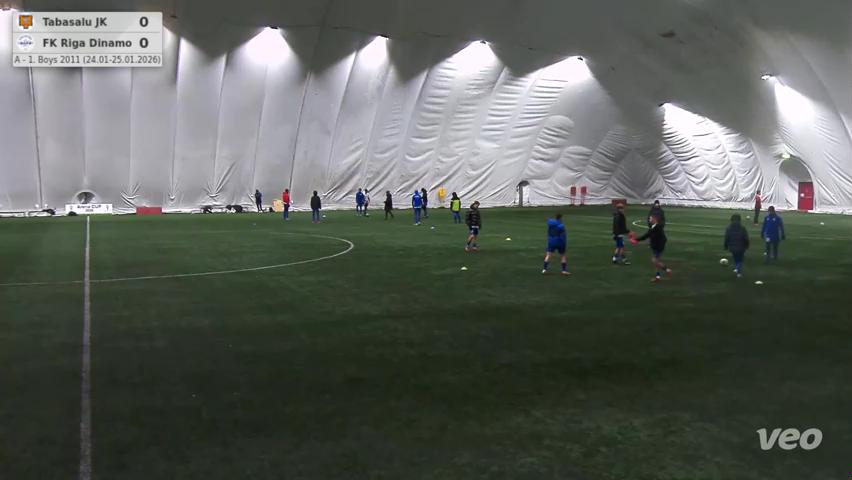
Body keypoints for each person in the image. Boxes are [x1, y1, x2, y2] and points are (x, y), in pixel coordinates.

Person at [633, 214, 672, 283]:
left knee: (654, 260)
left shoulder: (657, 227)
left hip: (658, 248)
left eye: (650, 218)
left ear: (654, 219)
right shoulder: (654, 227)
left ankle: (667, 270)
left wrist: (636, 239)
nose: (649, 220)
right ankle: (658, 277)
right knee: (656, 262)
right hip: (655, 247)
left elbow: (647, 236)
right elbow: (651, 236)